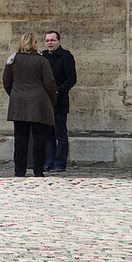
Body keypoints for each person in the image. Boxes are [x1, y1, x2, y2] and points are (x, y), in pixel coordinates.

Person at [3, 32, 57, 177]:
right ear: (35, 44)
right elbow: (50, 83)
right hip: (39, 103)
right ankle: (38, 170)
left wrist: (15, 95)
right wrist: (52, 99)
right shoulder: (42, 61)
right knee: (39, 138)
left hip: (19, 103)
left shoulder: (13, 60)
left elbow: (6, 82)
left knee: (20, 138)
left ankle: (19, 170)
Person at [42, 29, 77, 172]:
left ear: (59, 41)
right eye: (47, 40)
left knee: (60, 133)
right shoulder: (43, 56)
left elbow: (71, 79)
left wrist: (58, 90)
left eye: (52, 40)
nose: (49, 43)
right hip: (46, 101)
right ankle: (49, 162)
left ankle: (60, 163)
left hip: (60, 101)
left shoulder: (66, 56)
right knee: (48, 134)